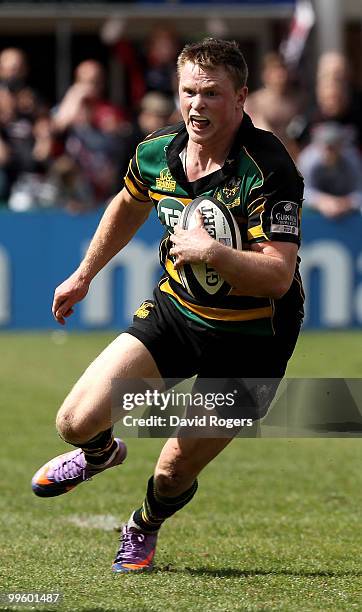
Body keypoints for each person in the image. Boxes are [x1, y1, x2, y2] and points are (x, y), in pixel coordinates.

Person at [31, 38, 304, 573]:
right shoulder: (157, 151)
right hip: (178, 313)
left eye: (211, 94)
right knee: (74, 421)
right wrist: (84, 274)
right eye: (188, 92)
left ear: (241, 96)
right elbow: (130, 201)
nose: (197, 105)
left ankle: (144, 524)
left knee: (173, 470)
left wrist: (213, 254)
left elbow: (278, 275)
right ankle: (100, 453)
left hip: (253, 343)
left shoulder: (269, 169)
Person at [298, 122, 362, 218]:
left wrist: (346, 203)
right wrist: (321, 201)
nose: (328, 152)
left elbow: (359, 190)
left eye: (332, 147)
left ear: (341, 146)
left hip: (346, 209)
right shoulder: (308, 160)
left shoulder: (352, 159)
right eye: (325, 146)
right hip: (315, 210)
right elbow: (300, 191)